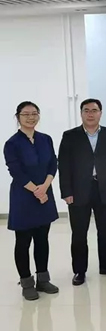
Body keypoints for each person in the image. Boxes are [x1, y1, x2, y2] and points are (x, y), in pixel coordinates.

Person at [58, 99, 106, 286]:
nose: (90, 114)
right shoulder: (70, 136)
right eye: (86, 110)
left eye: (94, 110)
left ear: (100, 113)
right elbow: (64, 165)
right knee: (79, 233)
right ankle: (79, 271)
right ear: (81, 113)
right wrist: (66, 192)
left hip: (105, 189)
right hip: (78, 191)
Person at [3, 102, 59, 300]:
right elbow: (15, 171)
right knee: (23, 241)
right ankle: (27, 283)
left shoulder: (45, 139)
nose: (31, 117)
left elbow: (53, 163)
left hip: (45, 193)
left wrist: (45, 187)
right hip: (23, 197)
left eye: (34, 113)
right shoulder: (12, 143)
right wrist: (36, 190)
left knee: (42, 239)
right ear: (18, 117)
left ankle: (43, 279)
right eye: (26, 114)